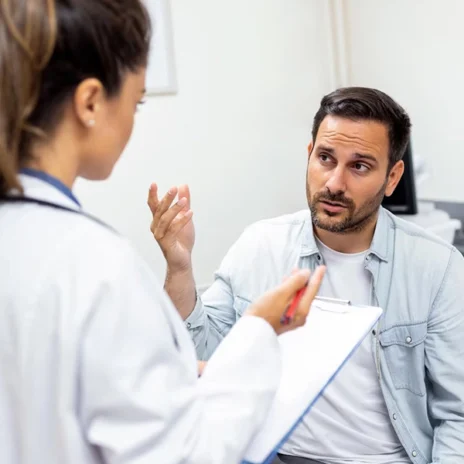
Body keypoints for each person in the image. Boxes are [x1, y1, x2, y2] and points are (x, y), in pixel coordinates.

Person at [0, 1, 326, 463]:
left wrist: (170, 372)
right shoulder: (94, 264)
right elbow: (186, 454)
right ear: (90, 101)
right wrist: (259, 331)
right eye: (136, 101)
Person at [149, 87, 464, 464]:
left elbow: (457, 414)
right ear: (309, 154)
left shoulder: (437, 266)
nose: (334, 183)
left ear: (393, 177)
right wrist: (180, 268)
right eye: (326, 158)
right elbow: (204, 362)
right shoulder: (260, 246)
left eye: (359, 166)